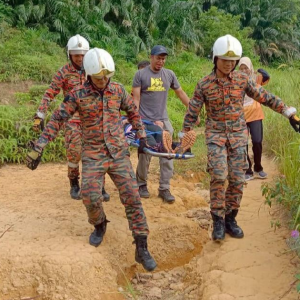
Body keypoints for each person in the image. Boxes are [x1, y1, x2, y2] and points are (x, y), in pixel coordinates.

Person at [26, 48, 157, 272]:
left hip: (118, 153)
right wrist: (39, 146)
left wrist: (143, 137)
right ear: (88, 74)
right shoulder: (77, 94)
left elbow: (133, 113)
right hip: (93, 154)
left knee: (132, 197)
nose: (103, 80)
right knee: (90, 196)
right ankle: (99, 225)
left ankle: (142, 246)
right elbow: (58, 119)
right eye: (98, 77)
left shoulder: (117, 90)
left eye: (106, 76)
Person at [180, 34, 300, 242]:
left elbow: (266, 97)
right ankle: (217, 220)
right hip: (215, 136)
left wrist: (288, 112)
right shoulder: (204, 84)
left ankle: (230, 219)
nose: (228, 64)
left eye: (232, 61)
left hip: (237, 136)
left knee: (237, 179)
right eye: (224, 60)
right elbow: (192, 111)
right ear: (215, 59)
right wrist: (184, 136)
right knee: (218, 176)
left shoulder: (243, 80)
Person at [32, 34, 110, 201]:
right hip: (72, 117)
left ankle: (99, 185)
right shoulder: (64, 72)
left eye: (83, 55)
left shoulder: (94, 68)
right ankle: (74, 183)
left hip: (93, 117)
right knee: (74, 152)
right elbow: (50, 92)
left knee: (98, 152)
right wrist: (41, 112)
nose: (80, 59)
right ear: (70, 55)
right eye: (76, 55)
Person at [132, 45, 196, 203]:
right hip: (145, 120)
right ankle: (141, 184)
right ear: (151, 57)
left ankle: (164, 188)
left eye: (163, 58)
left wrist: (192, 110)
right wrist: (136, 120)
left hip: (164, 120)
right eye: (158, 58)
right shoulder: (140, 74)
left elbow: (180, 93)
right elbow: (136, 99)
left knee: (168, 153)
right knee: (146, 153)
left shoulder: (169, 74)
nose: (161, 61)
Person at [238, 57, 270, 180]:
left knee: (257, 141)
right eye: (241, 68)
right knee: (243, 143)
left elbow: (266, 77)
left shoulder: (256, 79)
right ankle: (248, 170)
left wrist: (261, 71)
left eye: (246, 67)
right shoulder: (236, 81)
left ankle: (258, 167)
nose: (244, 70)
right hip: (241, 116)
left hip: (255, 114)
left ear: (250, 68)